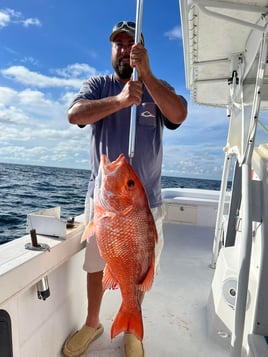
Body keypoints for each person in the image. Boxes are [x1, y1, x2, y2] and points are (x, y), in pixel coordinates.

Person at [63, 21, 187, 357]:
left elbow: (179, 113)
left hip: (145, 205)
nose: (123, 47)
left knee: (138, 264)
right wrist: (119, 100)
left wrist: (146, 77)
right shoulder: (99, 85)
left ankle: (133, 322)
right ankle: (93, 323)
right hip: (105, 202)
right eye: (118, 43)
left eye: (131, 42)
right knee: (95, 265)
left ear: (142, 50)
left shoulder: (157, 87)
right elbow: (74, 114)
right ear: (111, 49)